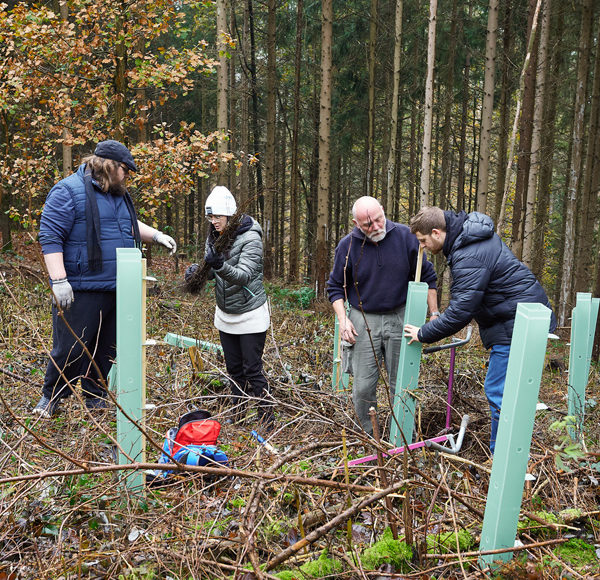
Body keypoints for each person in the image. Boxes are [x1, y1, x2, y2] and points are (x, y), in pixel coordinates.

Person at [34, 140, 177, 418]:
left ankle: (95, 397)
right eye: (125, 169)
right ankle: (50, 398)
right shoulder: (68, 191)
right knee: (71, 348)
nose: (127, 176)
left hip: (119, 286)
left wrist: (157, 235)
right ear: (110, 166)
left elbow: (127, 225)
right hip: (82, 287)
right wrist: (59, 280)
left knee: (106, 348)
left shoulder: (116, 194)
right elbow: (50, 236)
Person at [404, 206, 557, 453]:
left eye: (423, 240)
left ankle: (505, 458)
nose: (422, 246)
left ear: (436, 232)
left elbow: (461, 312)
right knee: (507, 391)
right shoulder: (469, 241)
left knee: (499, 391)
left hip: (517, 324)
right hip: (515, 318)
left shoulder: (469, 253)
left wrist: (423, 334)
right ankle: (508, 451)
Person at [327, 196, 439, 435]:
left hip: (401, 317)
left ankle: (403, 435)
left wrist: (434, 313)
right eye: (368, 225)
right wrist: (343, 319)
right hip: (362, 318)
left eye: (379, 220)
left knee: (403, 382)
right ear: (356, 223)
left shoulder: (407, 237)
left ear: (383, 211)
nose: (376, 227)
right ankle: (370, 436)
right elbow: (335, 287)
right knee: (364, 386)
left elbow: (429, 278)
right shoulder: (346, 247)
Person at [185, 186, 273, 429]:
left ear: (230, 215)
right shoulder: (214, 235)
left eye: (218, 217)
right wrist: (198, 272)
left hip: (250, 312)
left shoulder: (251, 237)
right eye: (210, 217)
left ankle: (267, 417)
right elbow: (213, 270)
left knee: (252, 369)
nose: (213, 222)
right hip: (225, 312)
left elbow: (244, 275)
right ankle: (239, 413)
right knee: (233, 369)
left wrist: (220, 265)